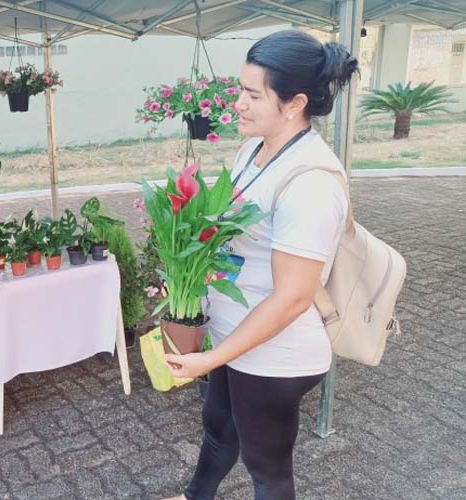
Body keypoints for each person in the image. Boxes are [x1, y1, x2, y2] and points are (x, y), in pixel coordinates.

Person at [162, 30, 359, 500]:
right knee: (219, 430)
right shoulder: (253, 149)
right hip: (235, 336)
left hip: (275, 351)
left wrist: (210, 358)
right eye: (240, 90)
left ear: (294, 103)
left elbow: (292, 298)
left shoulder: (311, 184)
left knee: (265, 468)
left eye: (253, 95)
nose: (238, 104)